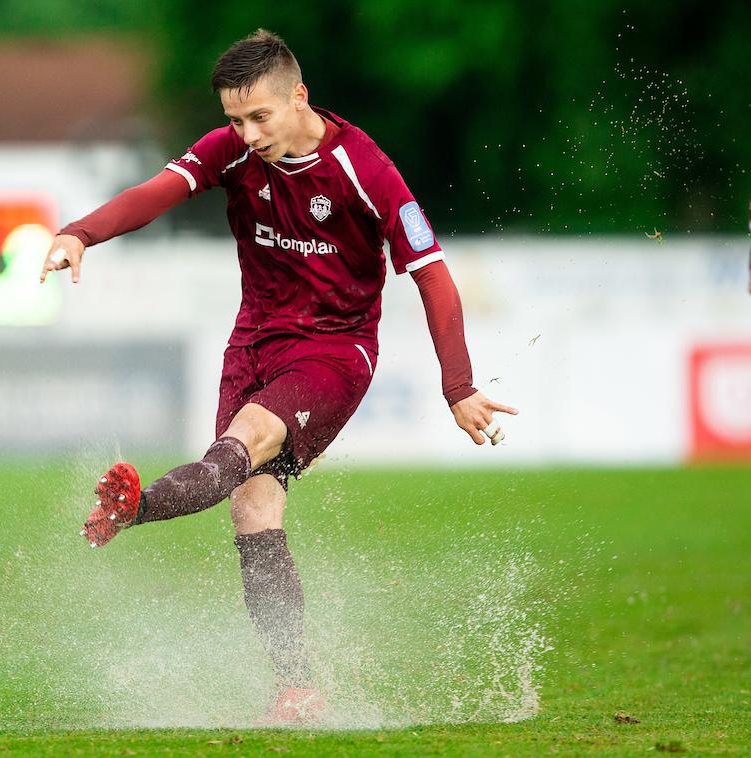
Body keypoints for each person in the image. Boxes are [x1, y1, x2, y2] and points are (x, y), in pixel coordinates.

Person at [39, 29, 517, 724]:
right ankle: (298, 688)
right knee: (253, 509)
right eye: (235, 120)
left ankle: (135, 508)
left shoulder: (365, 169)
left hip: (333, 353)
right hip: (253, 344)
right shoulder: (231, 150)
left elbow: (434, 275)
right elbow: (157, 191)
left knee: (245, 440)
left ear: (299, 96)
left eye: (260, 116)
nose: (247, 133)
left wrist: (458, 385)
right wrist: (81, 232)